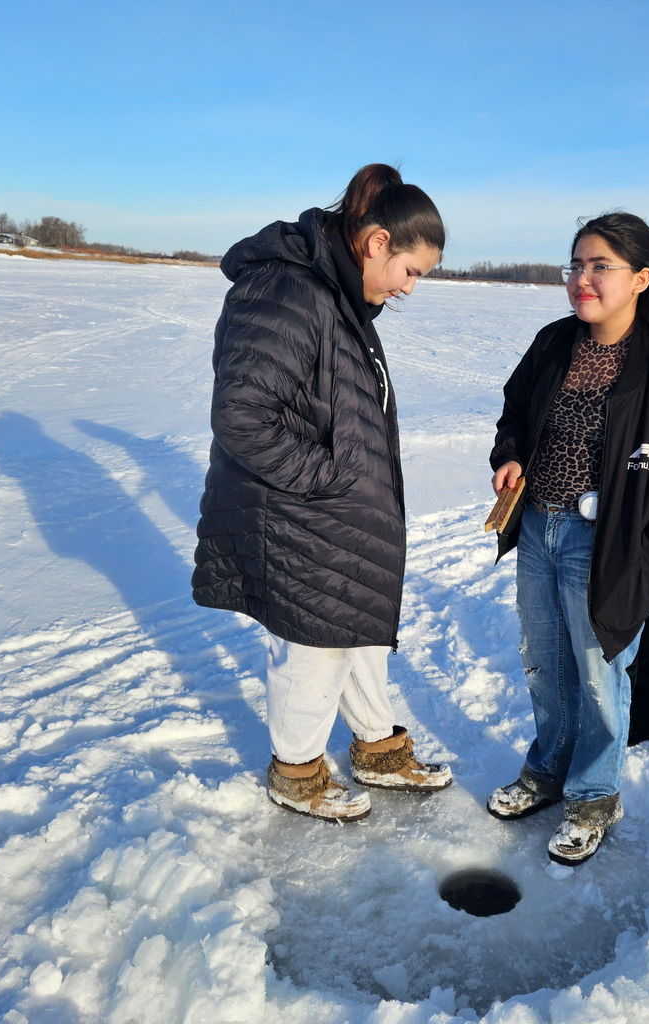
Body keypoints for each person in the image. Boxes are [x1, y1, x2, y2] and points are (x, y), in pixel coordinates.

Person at [193, 164, 452, 823]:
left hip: (340, 517)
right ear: (375, 243)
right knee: (311, 650)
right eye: (411, 271)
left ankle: (377, 751)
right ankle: (298, 774)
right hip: (299, 514)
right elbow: (243, 416)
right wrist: (330, 480)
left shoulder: (336, 295)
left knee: (359, 635)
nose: (409, 288)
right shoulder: (289, 290)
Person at [487, 212, 649, 864]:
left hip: (606, 547)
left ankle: (595, 795)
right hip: (538, 526)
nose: (582, 278)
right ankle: (547, 772)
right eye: (576, 263)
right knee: (546, 666)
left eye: (600, 265)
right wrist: (511, 454)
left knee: (600, 676)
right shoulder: (554, 343)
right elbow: (515, 412)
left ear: (640, 279)